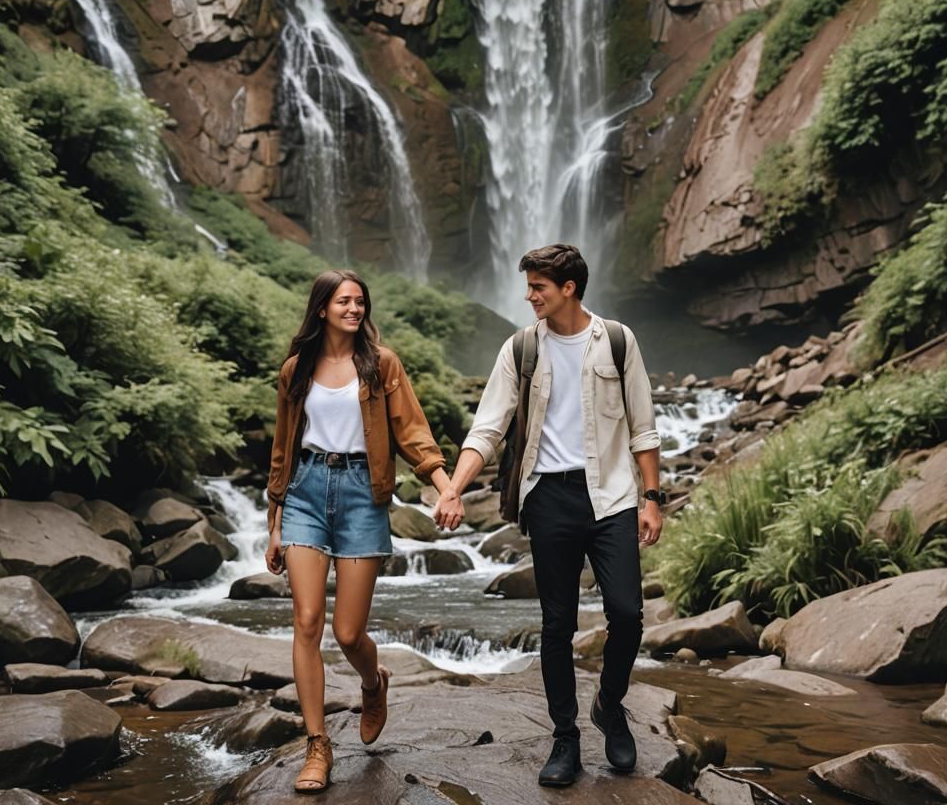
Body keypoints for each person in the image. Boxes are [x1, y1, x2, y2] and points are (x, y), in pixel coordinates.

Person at [433, 244, 662, 788]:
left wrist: (653, 498)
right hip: (549, 497)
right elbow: (487, 429)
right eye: (528, 285)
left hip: (611, 497)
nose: (529, 295)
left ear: (569, 289)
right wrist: (453, 489)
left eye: (538, 287)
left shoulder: (618, 340)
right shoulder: (520, 349)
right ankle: (565, 737)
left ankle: (609, 704)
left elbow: (643, 425)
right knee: (556, 624)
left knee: (627, 613)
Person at [265, 269, 463, 793]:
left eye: (359, 301)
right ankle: (317, 745)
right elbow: (283, 450)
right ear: (323, 308)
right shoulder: (295, 369)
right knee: (306, 620)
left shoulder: (381, 365)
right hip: (306, 491)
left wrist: (445, 486)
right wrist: (275, 522)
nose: (354, 309)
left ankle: (373, 685)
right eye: (344, 301)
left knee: (348, 632)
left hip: (362, 493)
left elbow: (413, 433)